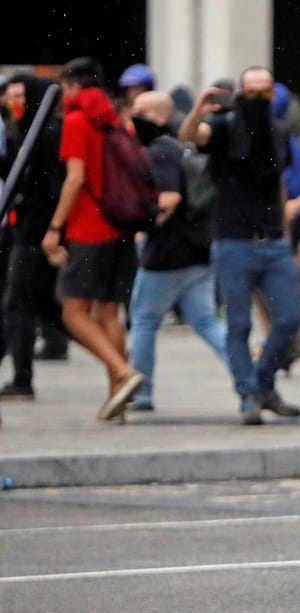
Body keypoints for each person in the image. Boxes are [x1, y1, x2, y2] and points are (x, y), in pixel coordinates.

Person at [180, 65, 300, 425]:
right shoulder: (225, 126)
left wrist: (286, 231)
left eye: (265, 90)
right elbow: (191, 136)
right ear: (240, 92)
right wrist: (199, 108)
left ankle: (262, 384)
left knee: (289, 320)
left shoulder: (278, 131)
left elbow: (279, 182)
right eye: (251, 90)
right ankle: (249, 395)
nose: (258, 97)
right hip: (233, 240)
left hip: (273, 241)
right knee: (238, 324)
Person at [41, 57, 144, 422]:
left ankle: (123, 372)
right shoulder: (115, 120)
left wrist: (55, 228)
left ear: (71, 86)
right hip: (121, 228)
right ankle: (117, 402)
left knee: (73, 312)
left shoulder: (75, 120)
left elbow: (75, 178)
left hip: (89, 228)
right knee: (109, 312)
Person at [126, 91, 229, 411]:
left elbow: (169, 198)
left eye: (141, 111)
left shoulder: (159, 152)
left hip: (166, 253)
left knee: (143, 319)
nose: (134, 116)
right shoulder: (183, 148)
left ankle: (141, 392)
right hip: (198, 247)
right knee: (206, 320)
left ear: (158, 116)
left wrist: (145, 223)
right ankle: (250, 375)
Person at [2, 70, 69, 401]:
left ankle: (22, 378)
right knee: (41, 302)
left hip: (36, 233)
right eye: (10, 96)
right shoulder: (29, 131)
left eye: (19, 96)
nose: (13, 102)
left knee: (19, 302)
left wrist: (52, 231)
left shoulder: (48, 133)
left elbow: (54, 189)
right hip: (29, 229)